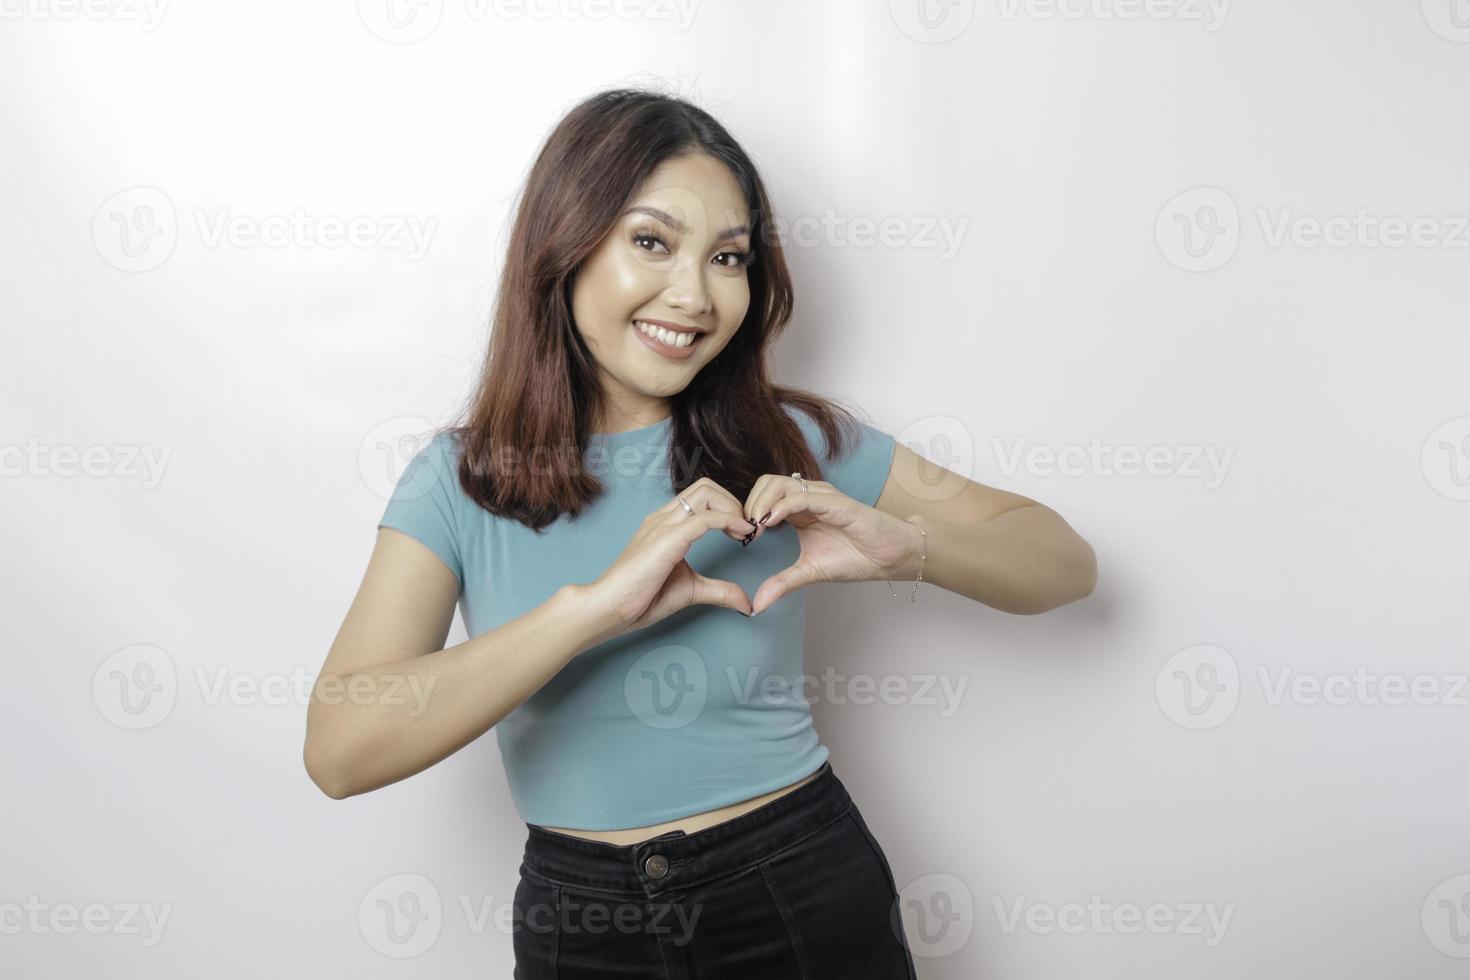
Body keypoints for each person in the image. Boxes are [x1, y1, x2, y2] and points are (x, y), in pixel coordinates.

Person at [304, 87, 1097, 978]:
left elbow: (1065, 564)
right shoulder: (460, 482)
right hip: (579, 927)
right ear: (565, 245)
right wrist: (592, 610)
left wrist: (907, 548)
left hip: (796, 887)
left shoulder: (796, 444)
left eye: (728, 257)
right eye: (652, 241)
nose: (694, 295)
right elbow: (340, 750)